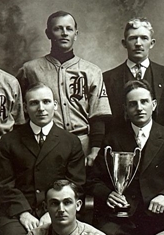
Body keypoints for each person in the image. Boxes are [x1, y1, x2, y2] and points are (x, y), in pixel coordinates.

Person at [0, 83, 86, 235]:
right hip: (16, 212)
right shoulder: (10, 140)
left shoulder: (70, 142)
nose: (41, 108)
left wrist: (50, 213)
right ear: (25, 108)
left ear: (55, 105)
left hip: (57, 209)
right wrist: (23, 213)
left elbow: (76, 182)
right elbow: (4, 184)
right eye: (34, 103)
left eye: (45, 102)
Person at [90, 79, 164, 235]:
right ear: (125, 108)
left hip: (159, 214)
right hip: (122, 216)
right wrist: (108, 194)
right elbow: (93, 180)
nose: (139, 108)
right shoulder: (113, 138)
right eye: (133, 104)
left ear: (154, 104)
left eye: (144, 102)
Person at [16, 11, 112, 166]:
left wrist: (94, 150)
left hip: (82, 143)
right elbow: (20, 112)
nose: (64, 33)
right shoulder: (30, 70)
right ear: (48, 33)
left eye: (69, 29)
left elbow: (98, 115)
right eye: (58, 29)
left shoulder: (92, 70)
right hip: (44, 144)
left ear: (76, 33)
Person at [103, 17, 164, 133]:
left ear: (152, 43)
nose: (138, 44)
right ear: (124, 43)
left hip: (161, 144)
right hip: (121, 145)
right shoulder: (108, 78)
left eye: (144, 38)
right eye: (133, 38)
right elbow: (105, 117)